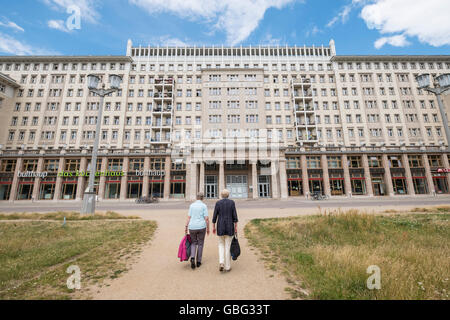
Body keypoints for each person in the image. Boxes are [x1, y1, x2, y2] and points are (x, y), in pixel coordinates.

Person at [212, 189, 238, 273]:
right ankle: (227, 266)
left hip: (220, 226)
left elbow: (215, 215)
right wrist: (236, 227)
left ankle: (221, 262)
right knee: (228, 246)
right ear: (228, 195)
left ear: (221, 195)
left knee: (220, 245)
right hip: (230, 226)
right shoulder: (232, 203)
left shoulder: (218, 203)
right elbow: (235, 215)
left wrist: (213, 226)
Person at [185, 192, 209, 269]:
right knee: (201, 243)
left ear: (196, 197)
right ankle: (198, 261)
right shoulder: (204, 206)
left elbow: (189, 217)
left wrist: (186, 226)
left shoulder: (191, 205)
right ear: (202, 198)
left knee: (193, 243)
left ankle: (192, 258)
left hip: (192, 226)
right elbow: (206, 218)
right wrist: (208, 228)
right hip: (202, 226)